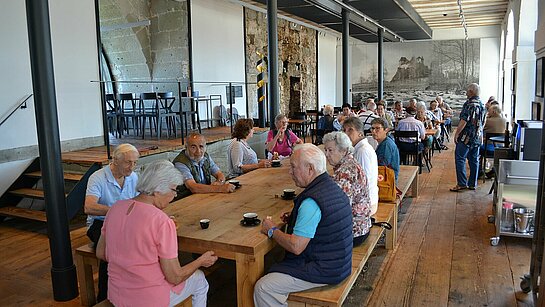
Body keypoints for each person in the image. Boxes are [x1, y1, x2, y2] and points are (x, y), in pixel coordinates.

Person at [96, 160, 218, 307]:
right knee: (199, 279)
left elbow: (101, 253)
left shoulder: (115, 208)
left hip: (117, 294)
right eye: (173, 190)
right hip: (148, 299)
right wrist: (201, 261)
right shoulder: (161, 221)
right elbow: (175, 277)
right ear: (157, 190)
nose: (174, 196)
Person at [254, 144, 352, 306]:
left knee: (264, 287)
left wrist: (271, 229)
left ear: (310, 169)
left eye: (293, 167)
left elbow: (296, 246)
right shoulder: (330, 186)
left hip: (326, 268)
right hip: (339, 260)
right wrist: (295, 218)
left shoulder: (311, 201)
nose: (290, 172)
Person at [84, 143, 140, 302]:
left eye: (135, 162)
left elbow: (138, 202)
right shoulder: (98, 177)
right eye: (128, 162)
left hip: (125, 222)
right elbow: (89, 207)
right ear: (115, 161)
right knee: (111, 249)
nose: (132, 167)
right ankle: (104, 298)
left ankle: (134, 290)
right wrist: (117, 210)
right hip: (99, 223)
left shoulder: (133, 177)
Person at [323, 132, 372, 246]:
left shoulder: (346, 171)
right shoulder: (349, 163)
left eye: (330, 150)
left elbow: (339, 207)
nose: (326, 154)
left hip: (353, 233)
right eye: (325, 150)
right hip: (362, 226)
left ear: (343, 151)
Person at [173, 133, 235, 198]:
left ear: (205, 147)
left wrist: (220, 182)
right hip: (185, 201)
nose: (198, 151)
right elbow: (193, 187)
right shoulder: (180, 163)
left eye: (201, 146)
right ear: (186, 147)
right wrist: (220, 188)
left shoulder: (205, 157)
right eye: (193, 147)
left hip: (203, 196)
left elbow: (219, 174)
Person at [450, 83, 486, 192]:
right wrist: (480, 134)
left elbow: (464, 120)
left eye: (467, 91)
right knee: (474, 160)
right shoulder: (482, 104)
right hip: (477, 137)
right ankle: (472, 184)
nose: (466, 92)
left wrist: (456, 133)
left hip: (466, 137)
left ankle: (462, 183)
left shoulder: (469, 104)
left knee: (460, 158)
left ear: (471, 92)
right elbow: (483, 122)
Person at [342, 117, 379, 215]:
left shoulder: (363, 151)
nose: (346, 134)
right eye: (344, 130)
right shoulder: (357, 148)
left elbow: (363, 182)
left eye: (350, 130)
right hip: (363, 200)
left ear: (360, 133)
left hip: (367, 203)